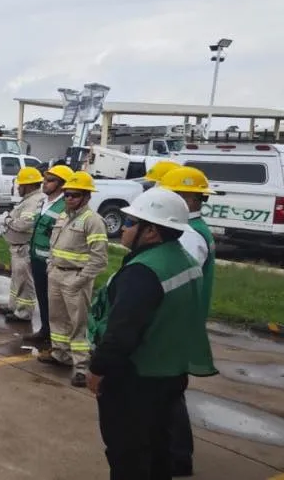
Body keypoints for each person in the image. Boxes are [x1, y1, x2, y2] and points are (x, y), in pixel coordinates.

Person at [88, 188, 212, 480]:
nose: (125, 228)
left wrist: (98, 369)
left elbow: (121, 333)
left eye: (131, 222)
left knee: (126, 452)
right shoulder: (184, 261)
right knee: (159, 447)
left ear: (152, 232)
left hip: (135, 378)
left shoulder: (143, 272)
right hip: (169, 373)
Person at [158, 166, 220, 477]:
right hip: (177, 323)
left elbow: (175, 281)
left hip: (177, 325)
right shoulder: (187, 231)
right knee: (167, 392)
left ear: (189, 199)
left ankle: (178, 457)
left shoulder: (190, 236)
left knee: (169, 392)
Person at [39, 171, 109, 387]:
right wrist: (51, 267)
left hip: (75, 278)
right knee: (57, 318)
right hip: (57, 274)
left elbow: (100, 258)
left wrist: (80, 280)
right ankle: (60, 354)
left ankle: (80, 367)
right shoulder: (62, 216)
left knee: (78, 325)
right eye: (67, 194)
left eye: (75, 195)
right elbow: (54, 245)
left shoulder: (93, 221)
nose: (69, 198)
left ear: (87, 197)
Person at [25, 164, 75, 347]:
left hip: (51, 262)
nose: (45, 184)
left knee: (56, 305)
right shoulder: (44, 202)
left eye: (50, 181)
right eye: (45, 180)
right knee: (43, 298)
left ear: (62, 185)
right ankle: (45, 330)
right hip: (37, 258)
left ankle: (56, 339)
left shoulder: (64, 206)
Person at [0, 166, 47, 322]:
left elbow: (24, 224)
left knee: (25, 282)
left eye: (21, 185)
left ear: (29, 185)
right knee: (17, 280)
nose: (18, 187)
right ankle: (13, 306)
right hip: (17, 247)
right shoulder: (28, 200)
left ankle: (24, 312)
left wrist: (7, 220)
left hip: (23, 248)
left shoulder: (34, 201)